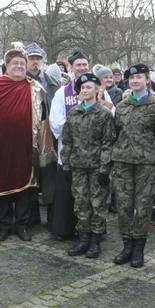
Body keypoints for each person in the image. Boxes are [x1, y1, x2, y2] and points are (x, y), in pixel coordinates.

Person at [0, 43, 44, 242]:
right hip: (0, 146)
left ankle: (22, 226)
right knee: (2, 186)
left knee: (25, 188)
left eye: (21, 63)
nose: (19, 66)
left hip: (25, 145)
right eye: (15, 63)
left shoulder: (33, 87)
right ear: (7, 65)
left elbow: (43, 116)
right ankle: (4, 225)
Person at [49, 51, 113, 240]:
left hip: (94, 158)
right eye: (78, 65)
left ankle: (94, 234)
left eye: (85, 65)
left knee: (94, 199)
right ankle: (66, 230)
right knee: (72, 196)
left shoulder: (101, 90)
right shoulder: (62, 92)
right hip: (71, 155)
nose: (82, 68)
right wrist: (76, 133)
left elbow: (111, 112)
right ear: (71, 68)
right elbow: (56, 121)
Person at [110, 64, 155, 268]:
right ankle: (127, 246)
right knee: (123, 206)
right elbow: (116, 133)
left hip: (145, 164)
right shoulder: (122, 107)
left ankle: (139, 248)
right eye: (131, 79)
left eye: (139, 77)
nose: (135, 81)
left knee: (142, 208)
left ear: (147, 80)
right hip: (123, 163)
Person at [61, 73, 115, 259]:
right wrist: (66, 164)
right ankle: (83, 238)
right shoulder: (73, 113)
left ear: (97, 89)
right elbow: (67, 141)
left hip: (96, 167)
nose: (85, 90)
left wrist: (105, 169)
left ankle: (95, 240)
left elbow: (108, 143)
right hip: (78, 167)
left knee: (97, 204)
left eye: (89, 87)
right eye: (82, 88)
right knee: (80, 204)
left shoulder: (104, 114)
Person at [25, 43, 60, 227]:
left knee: (50, 177)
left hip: (49, 137)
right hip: (28, 136)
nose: (35, 62)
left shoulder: (52, 82)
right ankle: (31, 217)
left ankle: (52, 217)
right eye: (31, 58)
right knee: (31, 176)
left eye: (38, 58)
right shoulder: (20, 82)